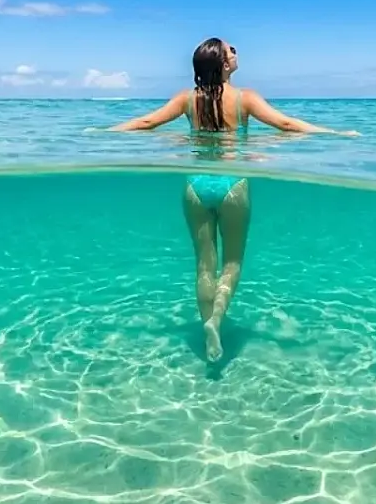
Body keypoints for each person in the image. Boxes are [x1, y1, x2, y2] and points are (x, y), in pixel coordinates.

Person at [107, 38, 358, 362]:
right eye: (232, 50)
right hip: (233, 185)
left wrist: (103, 131)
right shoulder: (245, 99)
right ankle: (216, 320)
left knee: (203, 266)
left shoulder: (187, 99)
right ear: (224, 64)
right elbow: (285, 124)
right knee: (232, 262)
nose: (237, 52)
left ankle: (204, 327)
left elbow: (145, 123)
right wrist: (334, 134)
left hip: (195, 187)